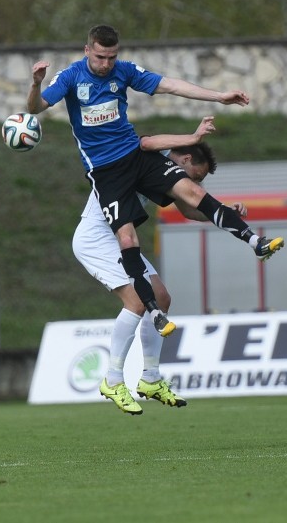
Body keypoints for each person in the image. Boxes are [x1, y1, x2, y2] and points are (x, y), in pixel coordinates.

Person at [28, 24, 284, 338]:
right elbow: (36, 108)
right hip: (106, 172)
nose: (106, 64)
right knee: (127, 239)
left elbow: (171, 85)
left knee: (190, 189)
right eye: (100, 57)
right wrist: (36, 84)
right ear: (87, 51)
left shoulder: (123, 72)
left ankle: (255, 242)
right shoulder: (70, 77)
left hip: (135, 155)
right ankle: (153, 314)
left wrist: (218, 97)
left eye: (111, 57)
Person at [75, 119, 243, 414]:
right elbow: (148, 141)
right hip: (97, 238)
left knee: (161, 298)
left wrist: (225, 213)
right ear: (187, 159)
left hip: (119, 237)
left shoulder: (163, 173)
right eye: (197, 177)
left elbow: (191, 209)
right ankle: (113, 379)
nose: (196, 184)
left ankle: (150, 378)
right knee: (139, 301)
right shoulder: (147, 161)